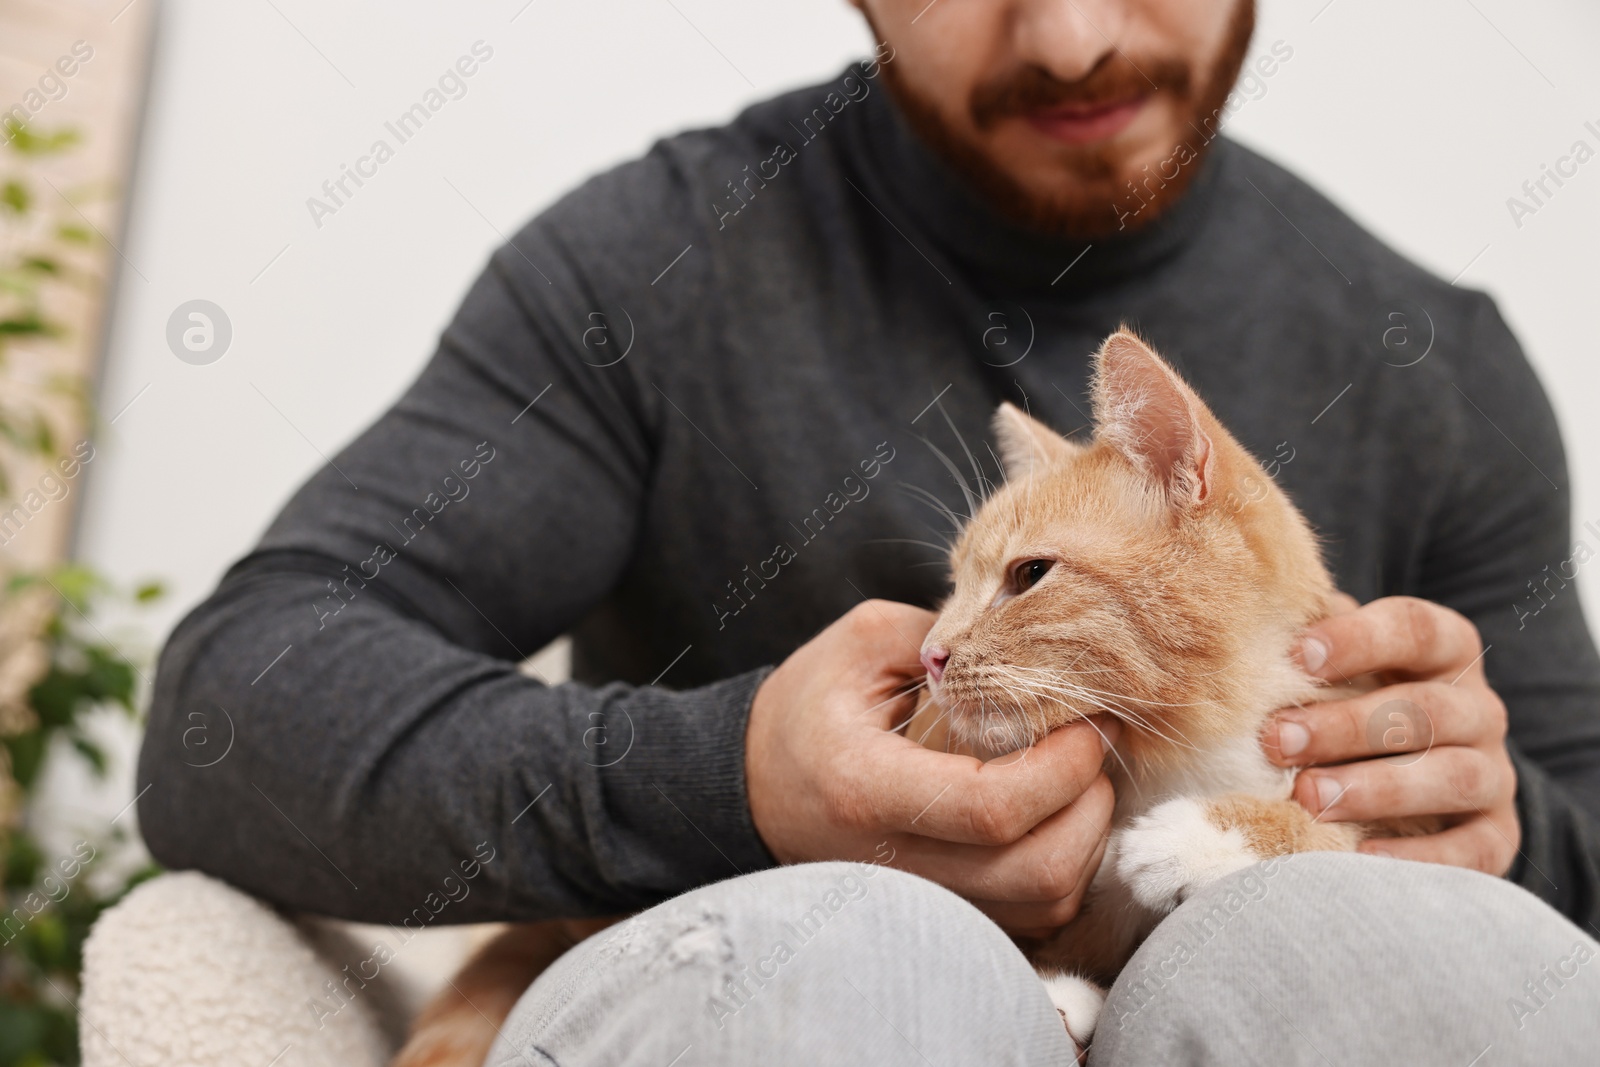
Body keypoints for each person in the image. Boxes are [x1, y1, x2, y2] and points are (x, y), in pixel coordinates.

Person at [139, 0, 1600, 1062]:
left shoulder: (1443, 367)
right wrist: (730, 784)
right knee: (859, 962)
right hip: (794, 978)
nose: (1075, 35)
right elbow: (226, 713)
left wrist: (1502, 830)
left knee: (1394, 958)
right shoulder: (652, 260)